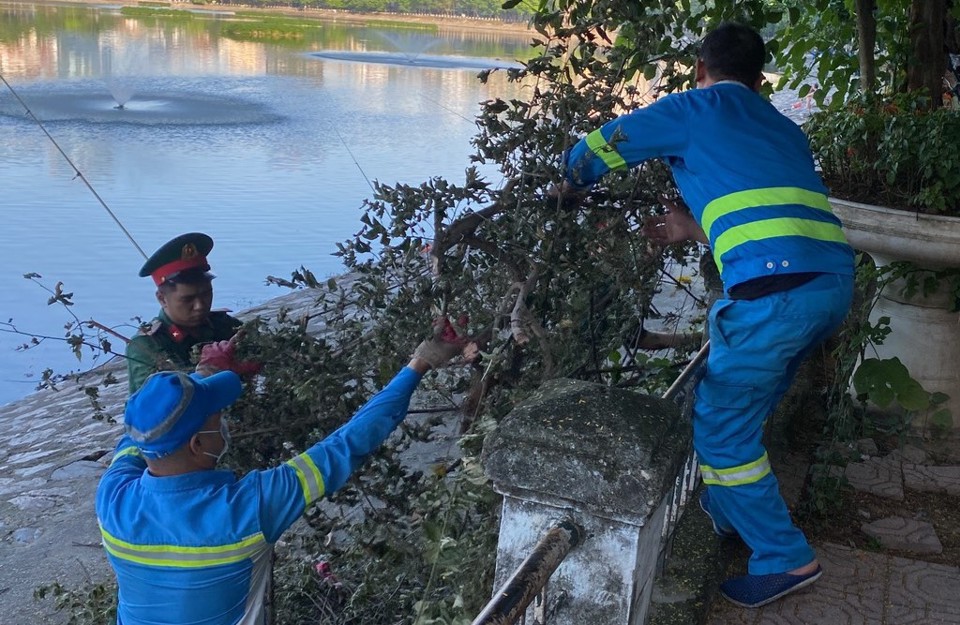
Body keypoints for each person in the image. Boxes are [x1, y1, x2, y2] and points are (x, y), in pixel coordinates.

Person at [561, 23, 855, 608]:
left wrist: (569, 181)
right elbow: (761, 206)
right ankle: (725, 511)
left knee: (720, 428)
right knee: (747, 406)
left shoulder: (697, 106)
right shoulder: (783, 129)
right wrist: (688, 227)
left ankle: (787, 558)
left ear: (702, 69)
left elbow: (601, 145)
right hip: (830, 286)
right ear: (758, 77)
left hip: (775, 297)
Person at [96, 319, 470, 625]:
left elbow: (140, 435)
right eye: (217, 417)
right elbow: (346, 445)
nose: (224, 422)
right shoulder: (251, 508)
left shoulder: (111, 497)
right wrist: (419, 363)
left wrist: (202, 377)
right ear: (197, 445)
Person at [125, 232, 246, 394]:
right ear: (162, 299)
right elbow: (154, 405)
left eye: (206, 294)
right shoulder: (147, 345)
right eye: (188, 299)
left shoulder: (225, 324)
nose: (199, 305)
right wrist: (207, 372)